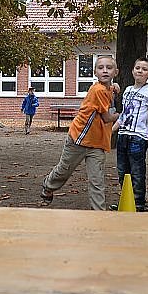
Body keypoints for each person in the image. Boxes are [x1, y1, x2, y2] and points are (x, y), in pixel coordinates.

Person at [41, 56, 120, 211]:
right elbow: (107, 118)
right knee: (64, 170)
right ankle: (48, 185)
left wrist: (114, 87)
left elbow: (110, 90)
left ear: (115, 72)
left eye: (109, 68)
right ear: (95, 72)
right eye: (101, 68)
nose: (105, 71)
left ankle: (99, 213)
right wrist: (120, 116)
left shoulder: (107, 89)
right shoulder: (97, 90)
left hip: (97, 144)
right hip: (78, 140)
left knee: (97, 180)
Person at [112, 57, 148, 212]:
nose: (140, 71)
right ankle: (126, 200)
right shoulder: (127, 90)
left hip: (138, 137)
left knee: (137, 171)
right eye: (137, 68)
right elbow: (124, 114)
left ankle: (138, 203)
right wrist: (112, 130)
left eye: (144, 69)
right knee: (122, 170)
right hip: (123, 135)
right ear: (133, 71)